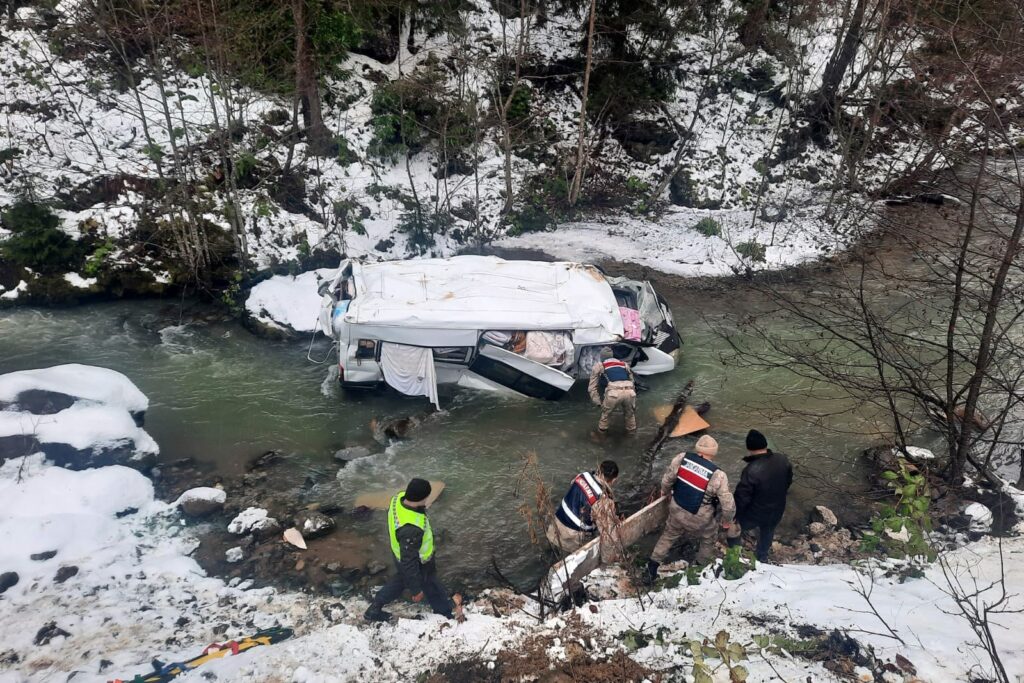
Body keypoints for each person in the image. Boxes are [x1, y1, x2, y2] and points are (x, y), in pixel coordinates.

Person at [644, 435, 734, 584]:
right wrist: (727, 521)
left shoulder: (682, 458)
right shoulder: (719, 475)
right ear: (714, 453)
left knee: (668, 535)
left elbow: (667, 480)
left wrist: (665, 492)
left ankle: (651, 568)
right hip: (701, 518)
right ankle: (698, 570)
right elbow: (728, 504)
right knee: (708, 539)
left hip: (677, 508)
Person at [364, 478, 455, 622]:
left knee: (401, 580)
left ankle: (375, 607)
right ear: (422, 498)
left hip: (398, 552)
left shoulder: (398, 498)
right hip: (418, 561)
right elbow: (409, 561)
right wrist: (416, 590)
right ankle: (446, 614)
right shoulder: (411, 529)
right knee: (430, 584)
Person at [726, 429, 793, 562]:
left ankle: (735, 555)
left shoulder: (751, 470)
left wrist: (735, 516)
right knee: (767, 531)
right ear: (765, 445)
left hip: (755, 513)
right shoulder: (782, 459)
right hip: (777, 509)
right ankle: (762, 556)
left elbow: (742, 497)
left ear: (749, 448)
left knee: (736, 530)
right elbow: (788, 480)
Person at [546, 460, 619, 554]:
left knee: (549, 554)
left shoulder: (582, 475)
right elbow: (607, 535)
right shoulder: (603, 500)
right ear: (614, 480)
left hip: (554, 527)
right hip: (570, 539)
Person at [587, 347, 637, 433]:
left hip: (613, 394)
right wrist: (634, 401)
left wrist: (598, 403)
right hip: (630, 392)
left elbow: (592, 388)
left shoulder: (599, 365)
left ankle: (601, 437)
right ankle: (631, 435)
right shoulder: (624, 364)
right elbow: (632, 381)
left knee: (605, 417)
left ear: (602, 357)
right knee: (630, 416)